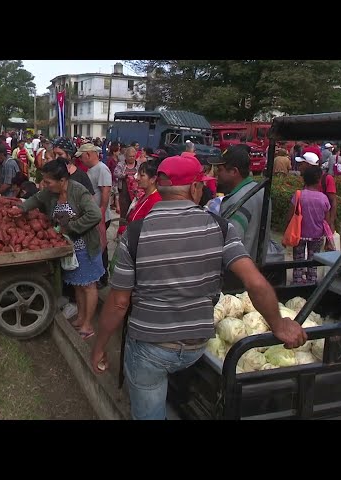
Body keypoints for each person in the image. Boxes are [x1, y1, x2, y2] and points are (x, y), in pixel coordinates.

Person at [89, 155, 307, 420]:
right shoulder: (220, 228)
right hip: (195, 346)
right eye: (201, 185)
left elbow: (119, 302)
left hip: (150, 348)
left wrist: (100, 344)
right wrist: (279, 325)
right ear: (194, 188)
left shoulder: (135, 233)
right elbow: (255, 282)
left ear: (159, 185)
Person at [9, 159, 103, 339]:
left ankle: (88, 325)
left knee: (88, 286)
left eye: (48, 181)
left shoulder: (78, 191)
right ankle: (81, 317)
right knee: (78, 284)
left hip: (85, 246)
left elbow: (95, 214)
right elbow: (36, 199)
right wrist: (21, 208)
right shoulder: (51, 192)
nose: (45, 185)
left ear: (62, 180)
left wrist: (72, 226)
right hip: (68, 248)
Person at [210, 146, 274, 262]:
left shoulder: (237, 201)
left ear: (234, 171)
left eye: (220, 170)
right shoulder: (259, 190)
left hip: (238, 271)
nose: (216, 175)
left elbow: (231, 245)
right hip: (255, 265)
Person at [286, 164, 331, 284]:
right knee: (313, 262)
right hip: (317, 236)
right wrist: (328, 239)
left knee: (298, 261)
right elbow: (326, 221)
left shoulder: (298, 195)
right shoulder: (324, 198)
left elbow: (290, 216)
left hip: (299, 235)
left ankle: (297, 281)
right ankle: (311, 281)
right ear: (319, 179)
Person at [78, 142, 113, 287]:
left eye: (81, 157)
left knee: (101, 248)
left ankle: (103, 277)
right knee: (97, 246)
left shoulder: (102, 169)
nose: (80, 160)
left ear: (88, 154)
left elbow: (106, 191)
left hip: (100, 216)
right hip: (95, 215)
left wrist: (101, 212)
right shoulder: (92, 169)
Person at [116, 160, 162, 236]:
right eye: (138, 175)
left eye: (142, 175)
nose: (137, 178)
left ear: (153, 179)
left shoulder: (155, 201)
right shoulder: (144, 196)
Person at [296, 152, 337, 232]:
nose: (299, 167)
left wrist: (331, 223)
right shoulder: (307, 180)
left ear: (309, 165)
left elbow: (333, 201)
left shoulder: (327, 179)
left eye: (301, 164)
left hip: (321, 225)